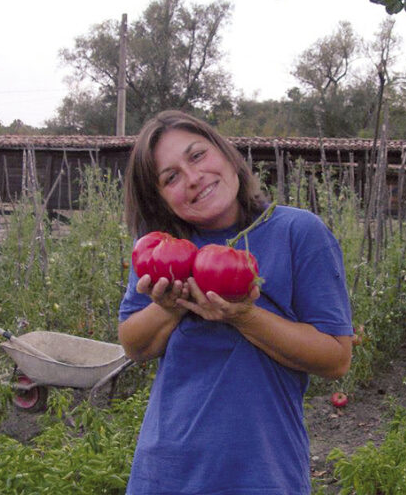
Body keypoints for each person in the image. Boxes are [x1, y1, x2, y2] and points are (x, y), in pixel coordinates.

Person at [118, 110, 353, 495]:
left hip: (263, 472)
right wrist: (170, 305)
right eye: (171, 177)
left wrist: (244, 316)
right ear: (159, 197)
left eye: (197, 156)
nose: (193, 178)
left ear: (226, 153)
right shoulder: (160, 249)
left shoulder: (298, 232)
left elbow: (336, 357)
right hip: (165, 472)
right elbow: (132, 343)